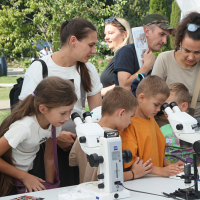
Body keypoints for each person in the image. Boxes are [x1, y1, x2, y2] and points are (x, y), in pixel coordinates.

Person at [19, 18, 103, 187]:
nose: (94, 51)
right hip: (46, 150)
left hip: (80, 146)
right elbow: (26, 114)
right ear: (73, 41)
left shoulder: (88, 70)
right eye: (90, 45)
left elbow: (98, 114)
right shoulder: (40, 67)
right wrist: (55, 136)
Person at [0, 77, 77, 197]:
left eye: (70, 111)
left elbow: (49, 158)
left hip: (26, 174)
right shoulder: (24, 127)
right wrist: (25, 177)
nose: (68, 118)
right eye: (63, 113)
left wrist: (49, 189)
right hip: (7, 179)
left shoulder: (55, 124)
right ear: (43, 109)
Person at [69, 86, 153, 182]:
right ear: (121, 113)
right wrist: (134, 173)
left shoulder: (84, 133)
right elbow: (110, 177)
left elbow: (73, 160)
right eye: (130, 117)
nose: (130, 122)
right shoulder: (112, 138)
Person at [152, 12, 200, 125]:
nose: (191, 57)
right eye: (186, 50)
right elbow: (152, 98)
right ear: (179, 41)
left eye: (197, 52)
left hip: (198, 122)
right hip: (165, 122)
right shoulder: (164, 59)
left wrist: (197, 130)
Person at [120, 76, 184, 178]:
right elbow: (132, 162)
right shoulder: (128, 123)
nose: (159, 110)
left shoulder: (151, 118)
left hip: (155, 181)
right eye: (156, 105)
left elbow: (154, 153)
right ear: (141, 98)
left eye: (161, 106)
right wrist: (161, 171)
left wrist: (170, 166)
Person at [113, 13, 174, 90]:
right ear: (147, 31)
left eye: (166, 37)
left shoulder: (152, 57)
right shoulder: (127, 52)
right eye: (161, 34)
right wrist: (146, 67)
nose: (165, 41)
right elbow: (124, 86)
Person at [158, 83, 200, 165]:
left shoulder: (197, 130)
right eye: (164, 106)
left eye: (170, 106)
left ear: (184, 106)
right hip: (169, 172)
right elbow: (157, 156)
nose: (165, 110)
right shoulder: (161, 131)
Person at [100, 17, 133, 96]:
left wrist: (98, 93)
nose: (106, 38)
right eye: (105, 34)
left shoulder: (125, 54)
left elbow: (124, 85)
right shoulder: (120, 55)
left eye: (110, 33)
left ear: (124, 35)